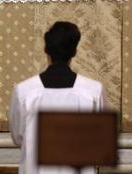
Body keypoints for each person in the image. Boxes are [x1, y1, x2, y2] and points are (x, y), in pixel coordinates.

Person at [9, 21, 107, 174]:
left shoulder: (24, 91)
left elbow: (18, 137)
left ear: (45, 49)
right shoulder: (93, 91)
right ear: (75, 51)